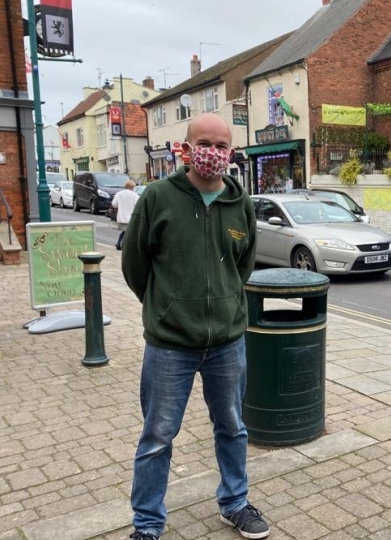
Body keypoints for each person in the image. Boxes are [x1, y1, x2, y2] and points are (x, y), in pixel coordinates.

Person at [122, 113, 266, 540]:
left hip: (227, 342)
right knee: (157, 437)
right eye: (204, 142)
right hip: (169, 345)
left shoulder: (240, 203)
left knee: (233, 427)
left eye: (222, 146)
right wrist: (167, 308)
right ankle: (147, 524)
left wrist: (223, 305)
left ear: (231, 152)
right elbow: (135, 266)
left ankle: (235, 502)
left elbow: (243, 266)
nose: (213, 152)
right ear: (185, 149)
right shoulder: (157, 198)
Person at [111, 179, 139, 250]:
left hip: (121, 217)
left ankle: (119, 243)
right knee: (129, 232)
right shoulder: (135, 195)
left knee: (125, 231)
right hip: (131, 217)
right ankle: (122, 244)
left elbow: (114, 204)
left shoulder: (119, 194)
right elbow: (138, 205)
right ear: (132, 187)